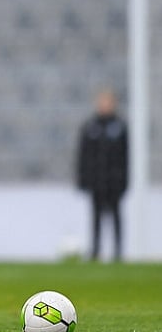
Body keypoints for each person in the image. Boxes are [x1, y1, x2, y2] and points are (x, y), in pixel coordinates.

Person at [76, 87, 128, 262]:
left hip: (114, 181)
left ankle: (118, 252)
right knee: (96, 217)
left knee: (116, 216)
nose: (104, 105)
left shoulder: (120, 127)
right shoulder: (90, 127)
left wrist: (124, 181)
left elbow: (125, 156)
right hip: (96, 181)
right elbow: (83, 155)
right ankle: (95, 250)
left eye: (108, 102)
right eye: (102, 102)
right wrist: (83, 179)